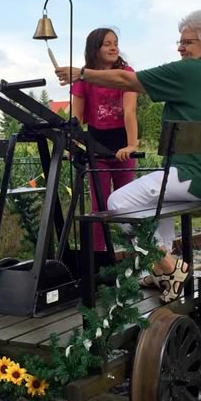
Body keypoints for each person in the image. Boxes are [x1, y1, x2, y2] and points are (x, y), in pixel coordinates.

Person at [56, 10, 201, 303]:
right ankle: (161, 268)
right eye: (180, 41)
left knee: (118, 202)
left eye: (189, 42)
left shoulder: (189, 71)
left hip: (199, 176)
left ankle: (170, 266)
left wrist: (82, 73)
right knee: (158, 200)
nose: (181, 47)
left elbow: (127, 79)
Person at [71, 28, 138, 252]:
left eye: (115, 43)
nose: (113, 47)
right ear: (94, 49)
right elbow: (76, 117)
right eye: (107, 44)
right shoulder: (84, 77)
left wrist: (132, 144)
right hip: (96, 147)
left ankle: (135, 253)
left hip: (122, 145)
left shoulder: (126, 74)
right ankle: (98, 256)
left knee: (127, 202)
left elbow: (129, 111)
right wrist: (72, 146)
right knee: (99, 205)